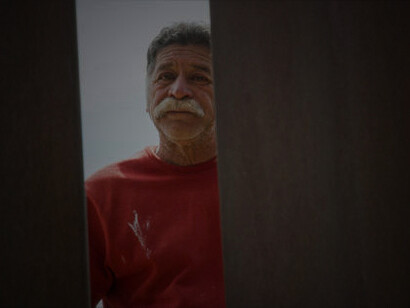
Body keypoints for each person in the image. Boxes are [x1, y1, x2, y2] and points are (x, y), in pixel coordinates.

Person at [86, 22, 225, 307]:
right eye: (166, 76)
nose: (179, 91)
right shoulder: (102, 195)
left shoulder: (264, 185)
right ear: (148, 96)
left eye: (199, 78)